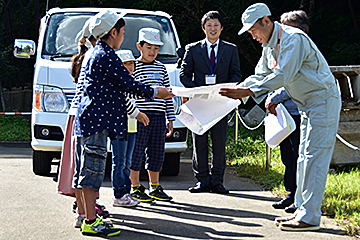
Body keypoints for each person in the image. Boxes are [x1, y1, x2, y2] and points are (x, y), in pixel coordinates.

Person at [219, 3, 341, 231]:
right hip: (306, 105)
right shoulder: (270, 44)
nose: (252, 35)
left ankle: (309, 217)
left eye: (253, 30)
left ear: (266, 21)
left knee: (314, 157)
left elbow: (283, 74)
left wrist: (246, 91)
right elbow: (261, 74)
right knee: (304, 158)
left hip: (322, 101)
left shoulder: (293, 38)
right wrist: (236, 90)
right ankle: (301, 210)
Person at [72, 11, 174, 237]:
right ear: (113, 32)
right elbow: (128, 83)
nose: (123, 38)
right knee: (92, 171)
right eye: (123, 32)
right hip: (95, 123)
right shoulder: (106, 54)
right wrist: (157, 92)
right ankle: (90, 220)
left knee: (83, 171)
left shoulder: (94, 52)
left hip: (87, 120)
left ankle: (83, 215)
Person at [180, 11, 242, 194]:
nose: (212, 29)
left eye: (216, 25)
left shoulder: (231, 49)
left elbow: (236, 75)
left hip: (220, 104)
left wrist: (226, 91)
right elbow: (184, 75)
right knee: (199, 142)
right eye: (209, 25)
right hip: (199, 103)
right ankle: (202, 180)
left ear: (221, 28)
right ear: (203, 28)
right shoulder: (192, 49)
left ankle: (217, 181)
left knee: (219, 143)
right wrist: (197, 91)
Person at [57, 17, 109, 229]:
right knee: (87, 167)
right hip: (87, 117)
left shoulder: (83, 56)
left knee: (79, 166)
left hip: (76, 115)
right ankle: (84, 213)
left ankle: (85, 210)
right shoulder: (95, 56)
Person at [267, 10, 310, 214]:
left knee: (299, 157)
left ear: (301, 30)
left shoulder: (303, 49)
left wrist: (274, 97)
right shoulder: (282, 49)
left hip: (300, 112)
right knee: (287, 157)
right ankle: (290, 193)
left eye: (287, 27)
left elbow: (291, 81)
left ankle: (300, 198)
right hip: (284, 113)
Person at [129, 27, 176, 202]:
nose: (153, 52)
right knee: (137, 152)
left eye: (156, 48)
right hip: (140, 116)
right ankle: (134, 187)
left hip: (158, 116)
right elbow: (130, 92)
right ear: (139, 46)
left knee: (157, 152)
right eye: (149, 47)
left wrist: (170, 118)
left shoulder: (162, 68)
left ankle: (154, 187)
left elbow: (168, 96)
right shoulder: (133, 66)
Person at [111, 49, 148, 207]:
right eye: (125, 64)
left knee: (127, 161)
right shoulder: (117, 81)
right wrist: (138, 113)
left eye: (131, 63)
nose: (129, 67)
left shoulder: (131, 81)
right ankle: (119, 194)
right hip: (119, 126)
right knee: (119, 161)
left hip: (131, 127)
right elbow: (126, 102)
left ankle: (126, 193)